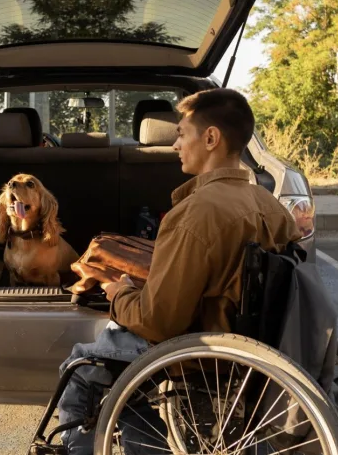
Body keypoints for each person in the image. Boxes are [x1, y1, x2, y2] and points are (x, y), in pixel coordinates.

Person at [56, 88, 303, 454]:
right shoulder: (273, 207)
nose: (175, 146)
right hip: (254, 348)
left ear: (210, 138)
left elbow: (159, 322)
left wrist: (120, 293)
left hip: (199, 350)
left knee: (80, 366)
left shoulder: (193, 214)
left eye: (181, 134)